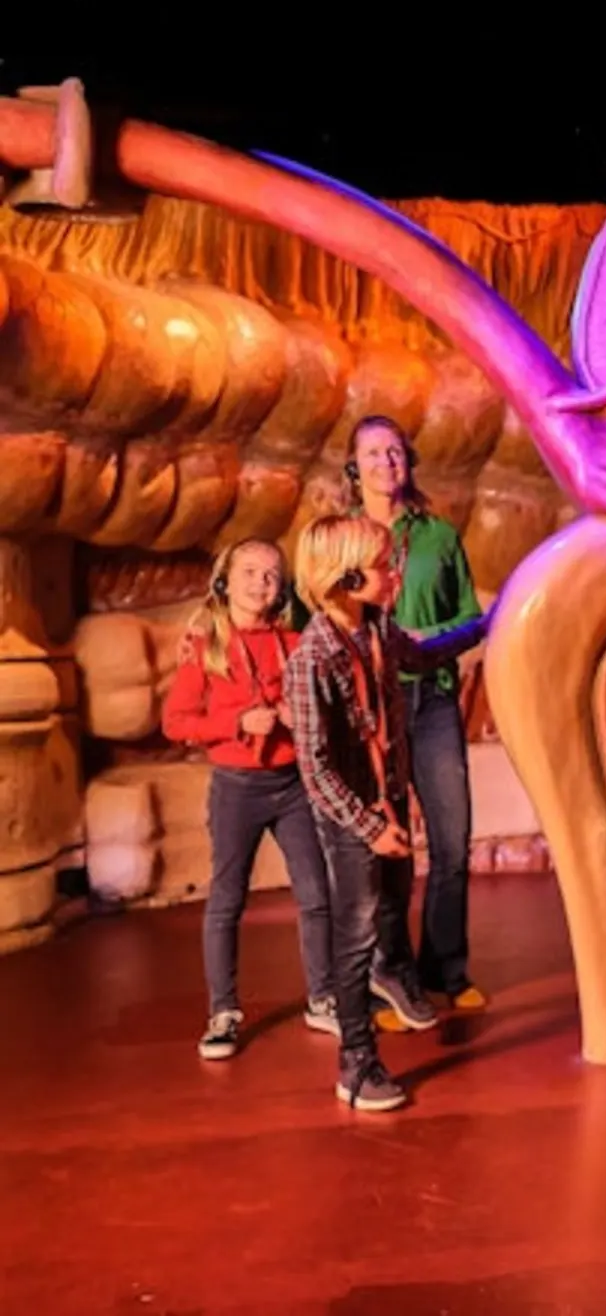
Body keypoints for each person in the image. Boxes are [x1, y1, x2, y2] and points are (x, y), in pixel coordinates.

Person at [285, 514, 491, 1112]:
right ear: (347, 577)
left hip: (387, 797)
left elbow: (421, 657)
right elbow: (316, 770)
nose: (396, 574)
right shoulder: (313, 657)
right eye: (382, 566)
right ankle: (356, 1062)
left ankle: (395, 972)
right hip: (352, 815)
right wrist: (371, 827)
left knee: (394, 900)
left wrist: (482, 626)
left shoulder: (376, 627)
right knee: (356, 933)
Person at [161, 538, 337, 1061]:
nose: (261, 582)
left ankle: (323, 997)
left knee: (315, 892)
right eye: (250, 572)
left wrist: (297, 715)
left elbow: (325, 705)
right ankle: (223, 1012)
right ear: (225, 580)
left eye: (271, 575)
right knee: (227, 899)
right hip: (237, 787)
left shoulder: (294, 641)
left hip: (292, 784)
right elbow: (176, 722)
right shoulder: (206, 646)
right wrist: (237, 722)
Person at [344, 415, 486, 1012]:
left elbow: (473, 618)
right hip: (372, 707)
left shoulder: (438, 536)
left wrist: (432, 639)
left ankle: (446, 969)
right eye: (373, 453)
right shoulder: (342, 538)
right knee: (390, 847)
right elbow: (313, 615)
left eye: (395, 451)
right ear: (354, 468)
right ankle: (391, 974)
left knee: (452, 841)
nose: (386, 462)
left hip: (432, 700)